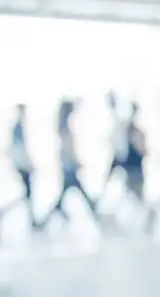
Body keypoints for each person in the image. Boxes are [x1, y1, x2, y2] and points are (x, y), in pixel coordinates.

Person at [41, 100, 101, 229]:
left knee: (69, 194)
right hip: (69, 168)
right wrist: (76, 162)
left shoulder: (63, 127)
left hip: (68, 167)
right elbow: (67, 149)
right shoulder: (65, 129)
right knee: (76, 192)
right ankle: (94, 211)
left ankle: (50, 218)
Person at [0, 104, 38, 230]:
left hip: (22, 165)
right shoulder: (18, 126)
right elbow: (19, 148)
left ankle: (33, 220)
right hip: (22, 166)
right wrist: (28, 163)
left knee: (27, 194)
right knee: (26, 194)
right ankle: (4, 212)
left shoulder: (18, 125)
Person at [98, 91, 129, 204]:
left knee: (120, 178)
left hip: (120, 153)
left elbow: (118, 135)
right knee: (115, 178)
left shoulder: (117, 117)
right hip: (119, 153)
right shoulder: (115, 116)